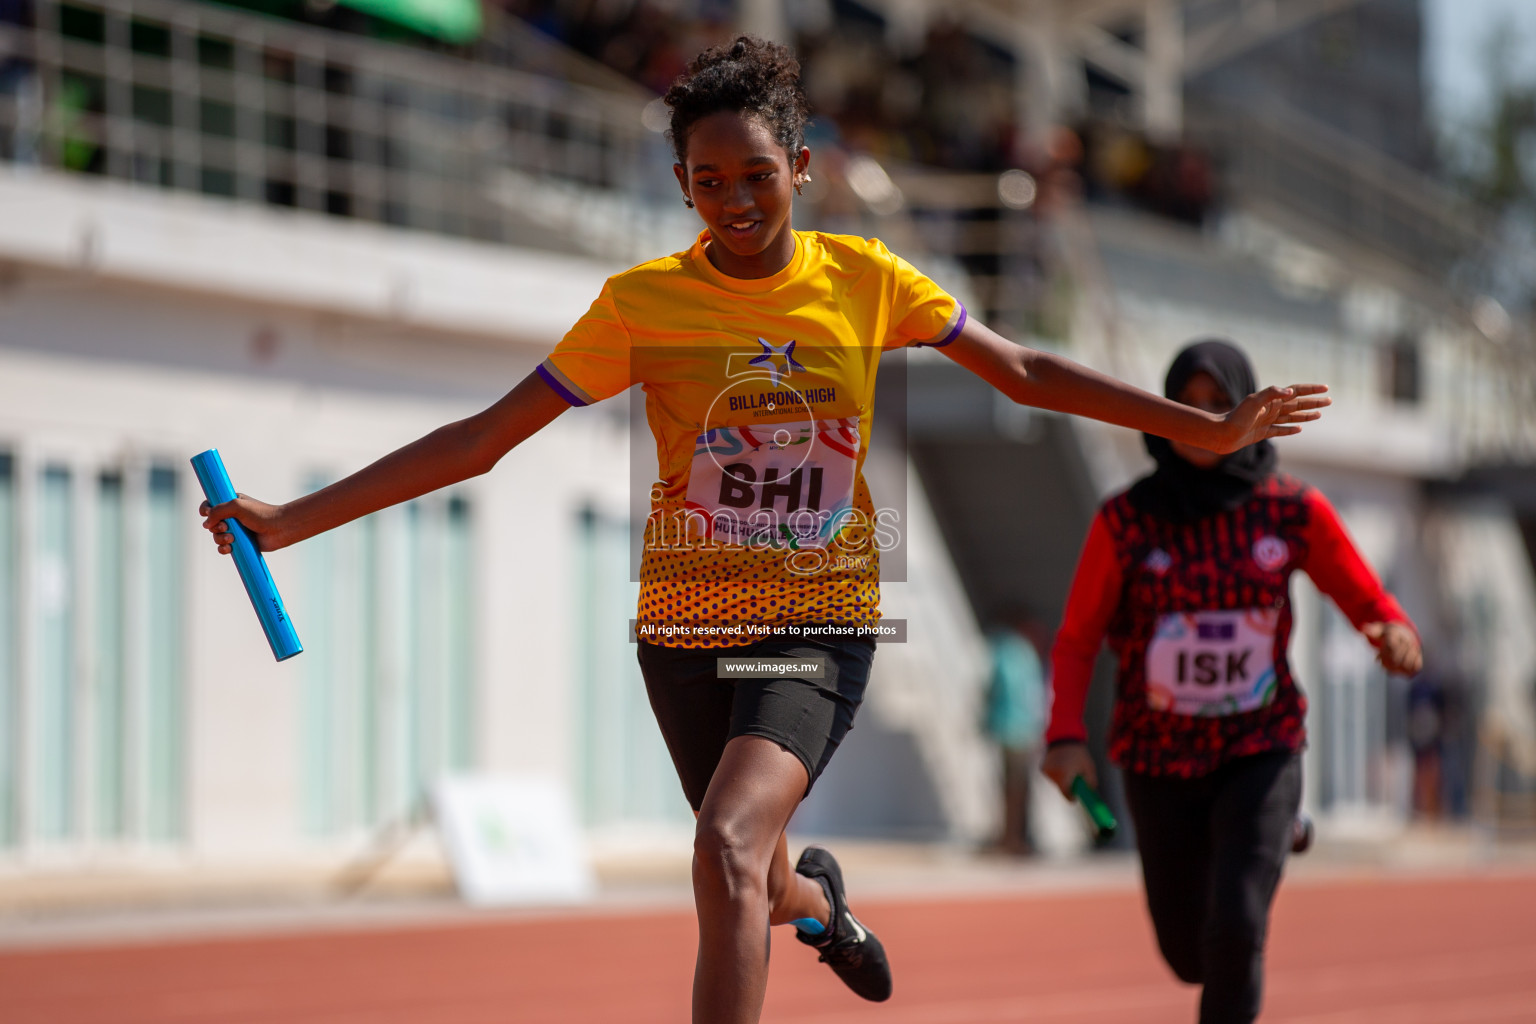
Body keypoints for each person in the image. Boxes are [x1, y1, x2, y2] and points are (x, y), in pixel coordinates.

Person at [201, 41, 1329, 1024]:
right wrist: (296, 517)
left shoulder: (865, 281)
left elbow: (1025, 370)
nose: (735, 199)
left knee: (725, 846)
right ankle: (823, 905)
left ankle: (798, 900)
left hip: (814, 622)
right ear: (683, 187)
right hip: (684, 628)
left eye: (756, 174)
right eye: (707, 180)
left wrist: (1205, 427)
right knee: (755, 869)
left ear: (800, 166)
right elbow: (485, 439)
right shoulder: (643, 303)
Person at [1041, 339, 1420, 1024]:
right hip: (1156, 756)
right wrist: (1066, 735)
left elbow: (1368, 600)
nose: (1207, 420)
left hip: (1260, 745)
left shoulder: (1292, 510)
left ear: (1249, 410)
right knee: (1190, 954)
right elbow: (1077, 639)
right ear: (1159, 414)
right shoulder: (1124, 519)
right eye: (1187, 407)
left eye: (1222, 405)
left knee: (1237, 930)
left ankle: (1275, 821)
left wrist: (1393, 631)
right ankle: (1283, 831)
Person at [982, 612, 1047, 855]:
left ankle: (1011, 839)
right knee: (1022, 788)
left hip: (1009, 729)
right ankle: (1020, 838)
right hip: (1026, 729)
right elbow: (1033, 693)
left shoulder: (1003, 651)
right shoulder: (1027, 654)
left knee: (1011, 789)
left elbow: (993, 689)